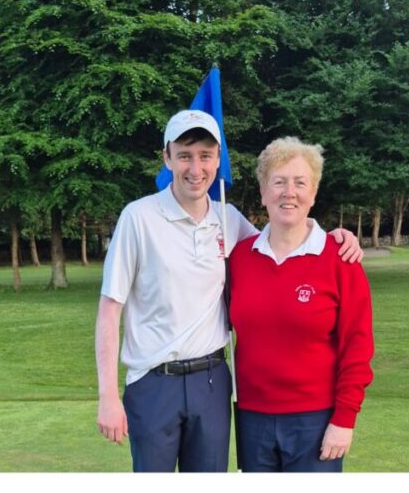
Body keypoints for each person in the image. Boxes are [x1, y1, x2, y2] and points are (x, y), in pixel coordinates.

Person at [95, 109, 362, 473]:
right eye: (185, 155)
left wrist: (334, 236)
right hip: (154, 383)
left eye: (205, 156)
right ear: (167, 158)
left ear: (218, 160)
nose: (195, 167)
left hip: (212, 383)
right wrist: (108, 396)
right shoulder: (138, 217)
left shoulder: (229, 219)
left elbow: (287, 238)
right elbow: (110, 311)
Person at [228, 138, 373, 471]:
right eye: (278, 182)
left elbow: (357, 345)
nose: (288, 192)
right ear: (263, 193)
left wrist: (345, 419)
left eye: (299, 183)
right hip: (251, 418)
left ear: (314, 193)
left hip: (316, 421)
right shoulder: (240, 257)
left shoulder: (341, 259)